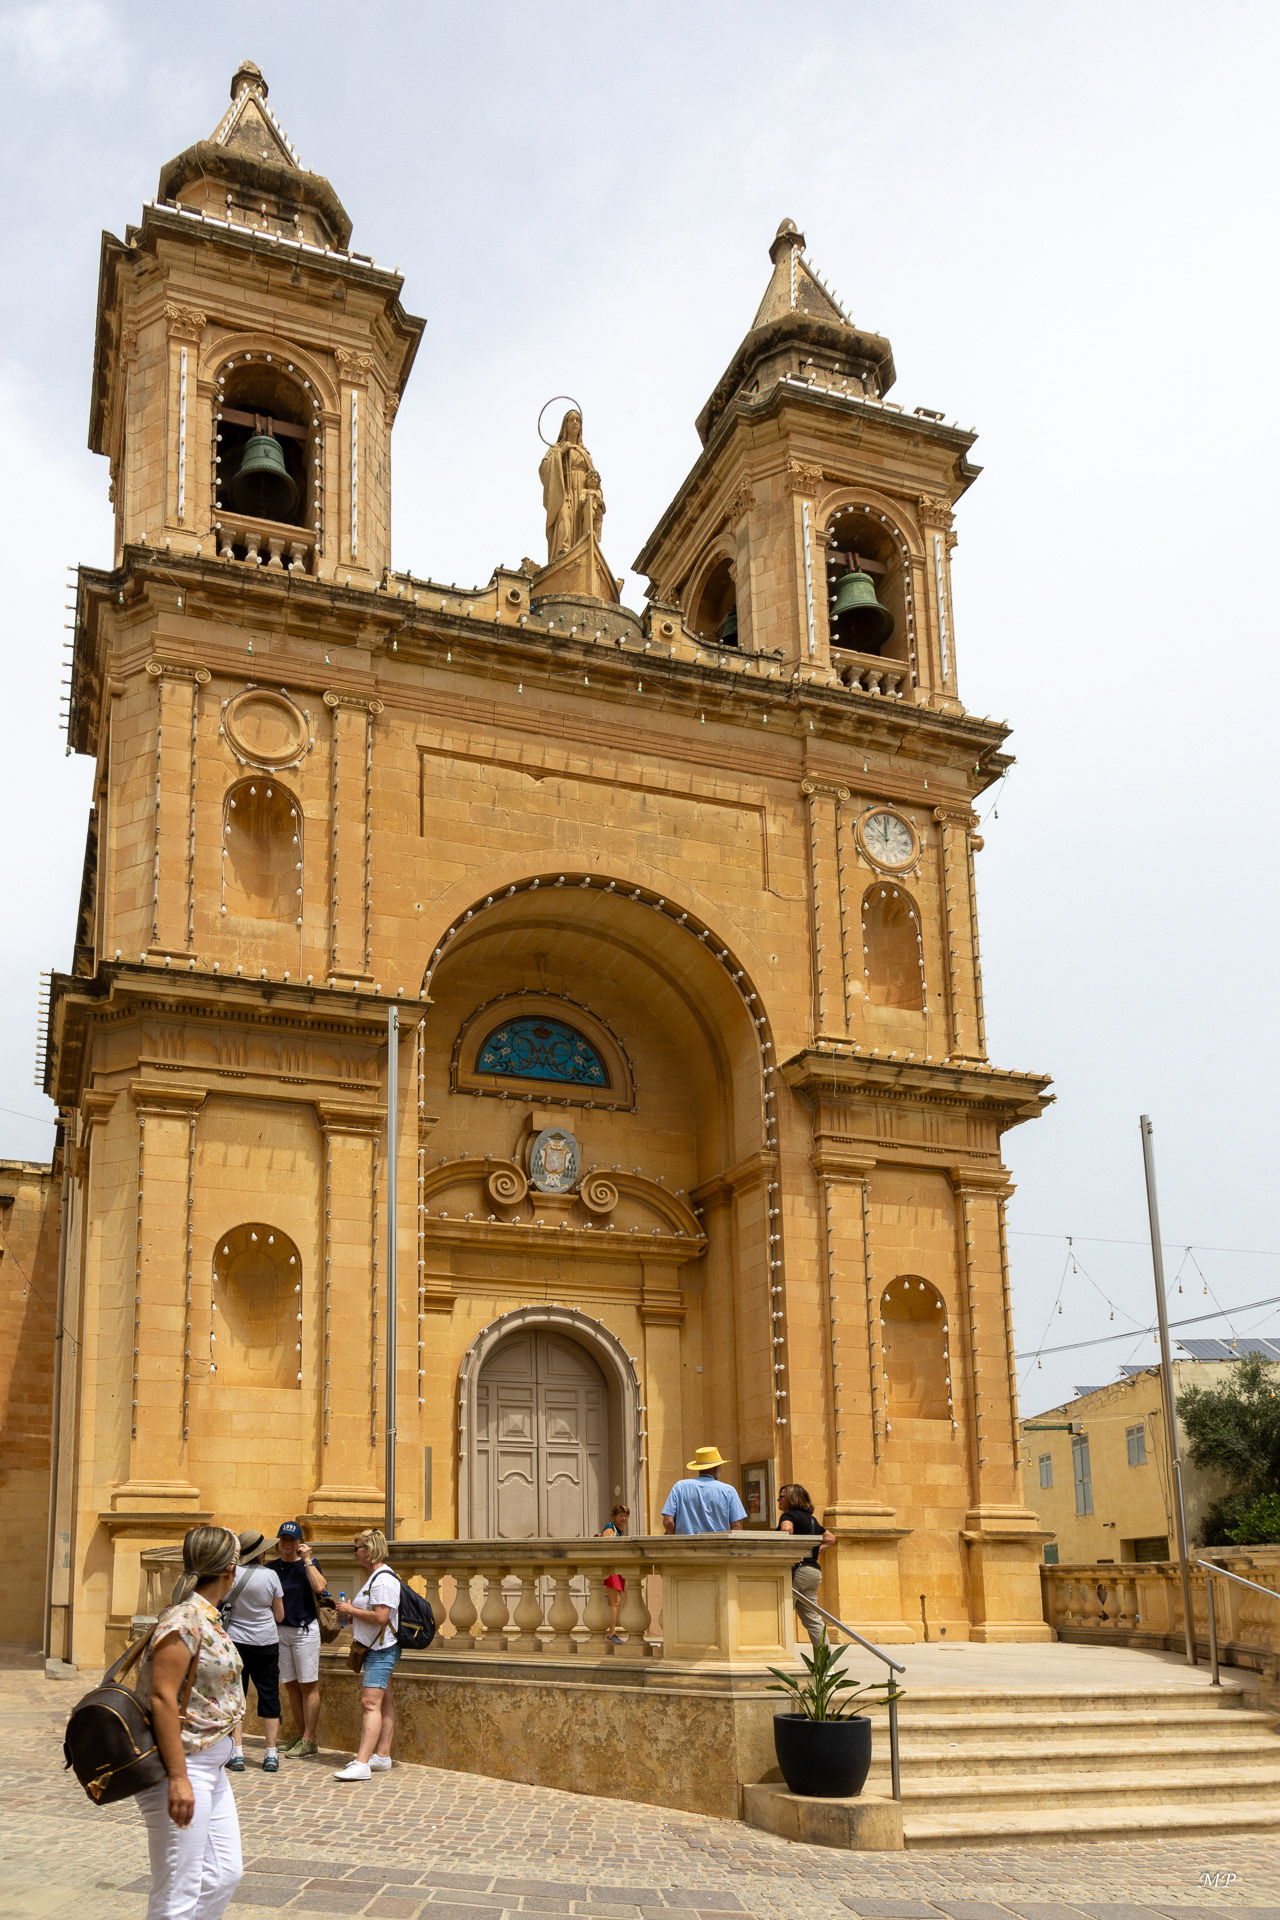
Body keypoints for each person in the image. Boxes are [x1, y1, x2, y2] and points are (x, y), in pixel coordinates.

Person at [134, 1524, 245, 1919]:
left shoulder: (205, 1616)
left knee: (224, 1874)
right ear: (230, 1569)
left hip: (210, 1763)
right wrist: (179, 1778)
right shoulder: (183, 1620)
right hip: (182, 1766)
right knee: (177, 1892)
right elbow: (162, 1696)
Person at [333, 1527, 400, 1781]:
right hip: (378, 1647)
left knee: (370, 1703)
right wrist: (352, 1614)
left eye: (357, 1548)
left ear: (370, 1549)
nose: (355, 1553)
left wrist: (351, 1610)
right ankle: (382, 1756)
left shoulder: (382, 1580)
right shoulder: (376, 1578)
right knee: (384, 1701)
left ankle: (362, 1763)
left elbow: (381, 1617)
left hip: (381, 1650)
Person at [222, 1529, 284, 1773]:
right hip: (265, 1642)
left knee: (237, 1696)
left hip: (236, 1641)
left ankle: (237, 1752)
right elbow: (279, 1615)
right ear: (261, 1553)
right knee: (269, 1695)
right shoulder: (270, 1576)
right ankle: (271, 1754)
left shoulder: (230, 1575)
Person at [266, 1520, 326, 1757]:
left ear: (301, 1543)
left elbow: (320, 1588)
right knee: (291, 1685)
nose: (287, 1544)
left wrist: (307, 1560)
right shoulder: (271, 1568)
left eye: (292, 1540)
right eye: (283, 1539)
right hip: (280, 1632)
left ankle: (310, 1739)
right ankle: (301, 1736)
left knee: (308, 1685)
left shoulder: (309, 1565)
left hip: (304, 1631)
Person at [778, 1483, 836, 1646]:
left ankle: (778, 1656)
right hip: (812, 1573)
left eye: (781, 1496)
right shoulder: (811, 1520)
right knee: (813, 1619)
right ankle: (825, 1660)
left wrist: (791, 1554)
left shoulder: (788, 1516)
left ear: (791, 1498)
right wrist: (812, 1553)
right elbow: (830, 1538)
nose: (778, 1500)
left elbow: (787, 1530)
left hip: (796, 1573)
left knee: (780, 1616)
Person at [661, 1446, 747, 1535]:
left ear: (699, 1468)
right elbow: (736, 1528)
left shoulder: (679, 1487)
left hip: (686, 1543)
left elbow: (668, 1522)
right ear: (715, 1469)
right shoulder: (728, 1491)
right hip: (718, 1543)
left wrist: (679, 1537)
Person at [597, 1503, 630, 1643]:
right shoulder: (610, 1529)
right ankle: (612, 1633)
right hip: (611, 1569)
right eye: (621, 1515)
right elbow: (605, 1547)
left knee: (614, 1601)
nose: (624, 1518)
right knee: (615, 1601)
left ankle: (610, 1631)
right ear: (614, 1516)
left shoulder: (619, 1530)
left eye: (626, 1516)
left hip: (617, 1568)